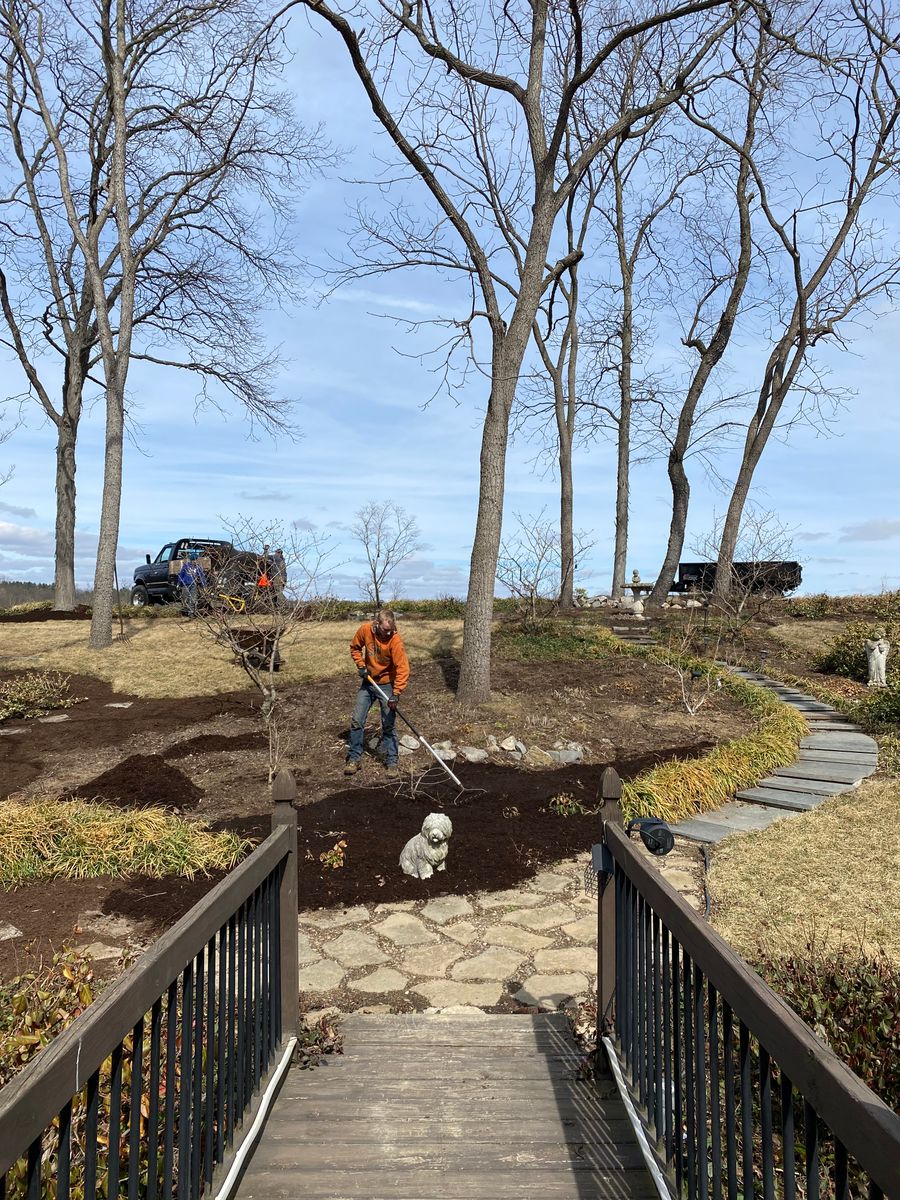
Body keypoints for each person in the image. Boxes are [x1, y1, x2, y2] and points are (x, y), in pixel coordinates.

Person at [345, 608, 410, 777]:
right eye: (385, 630)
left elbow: (402, 668)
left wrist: (396, 693)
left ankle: (392, 762)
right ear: (376, 624)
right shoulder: (365, 630)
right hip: (368, 682)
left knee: (388, 723)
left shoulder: (395, 640)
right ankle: (354, 758)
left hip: (387, 684)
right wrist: (361, 666)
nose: (388, 633)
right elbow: (355, 648)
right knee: (357, 720)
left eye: (391, 630)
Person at [177, 553, 207, 617]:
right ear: (191, 560)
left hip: (194, 585)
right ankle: (186, 612)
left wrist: (204, 585)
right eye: (194, 560)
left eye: (196, 560)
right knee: (185, 599)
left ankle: (191, 613)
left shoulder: (198, 567)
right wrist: (179, 583)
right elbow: (181, 575)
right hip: (186, 585)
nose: (195, 561)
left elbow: (202, 577)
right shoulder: (186, 566)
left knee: (193, 599)